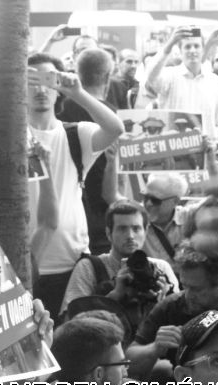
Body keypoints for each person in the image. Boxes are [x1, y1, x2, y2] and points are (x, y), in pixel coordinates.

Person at [26, 52, 124, 318]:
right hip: (27, 262)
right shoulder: (11, 138)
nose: (40, 90)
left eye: (48, 81)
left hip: (73, 261)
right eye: (31, 82)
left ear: (58, 88)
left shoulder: (75, 133)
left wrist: (77, 92)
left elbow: (115, 128)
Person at [126, 244, 218, 380]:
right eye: (184, 286)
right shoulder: (170, 307)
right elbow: (127, 364)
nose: (188, 295)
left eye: (196, 289)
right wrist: (154, 348)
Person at [61, 200, 179, 333]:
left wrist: (164, 301)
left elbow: (180, 320)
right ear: (108, 233)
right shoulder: (89, 267)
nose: (130, 236)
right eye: (122, 229)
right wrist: (114, 296)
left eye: (136, 228)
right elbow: (70, 323)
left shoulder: (160, 267)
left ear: (145, 231)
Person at [56, 47, 121, 254]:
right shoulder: (112, 116)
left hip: (67, 203)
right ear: (108, 77)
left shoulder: (60, 109)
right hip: (103, 206)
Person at [144, 26, 218, 138]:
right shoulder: (170, 76)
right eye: (187, 47)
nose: (192, 50)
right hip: (174, 144)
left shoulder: (215, 82)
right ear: (180, 51)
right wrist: (170, 44)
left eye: (196, 46)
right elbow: (151, 76)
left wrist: (213, 137)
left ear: (203, 50)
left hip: (206, 146)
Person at [139, 172, 189, 263]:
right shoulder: (136, 216)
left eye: (155, 200)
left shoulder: (189, 218)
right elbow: (113, 198)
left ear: (175, 201)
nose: (148, 204)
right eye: (145, 197)